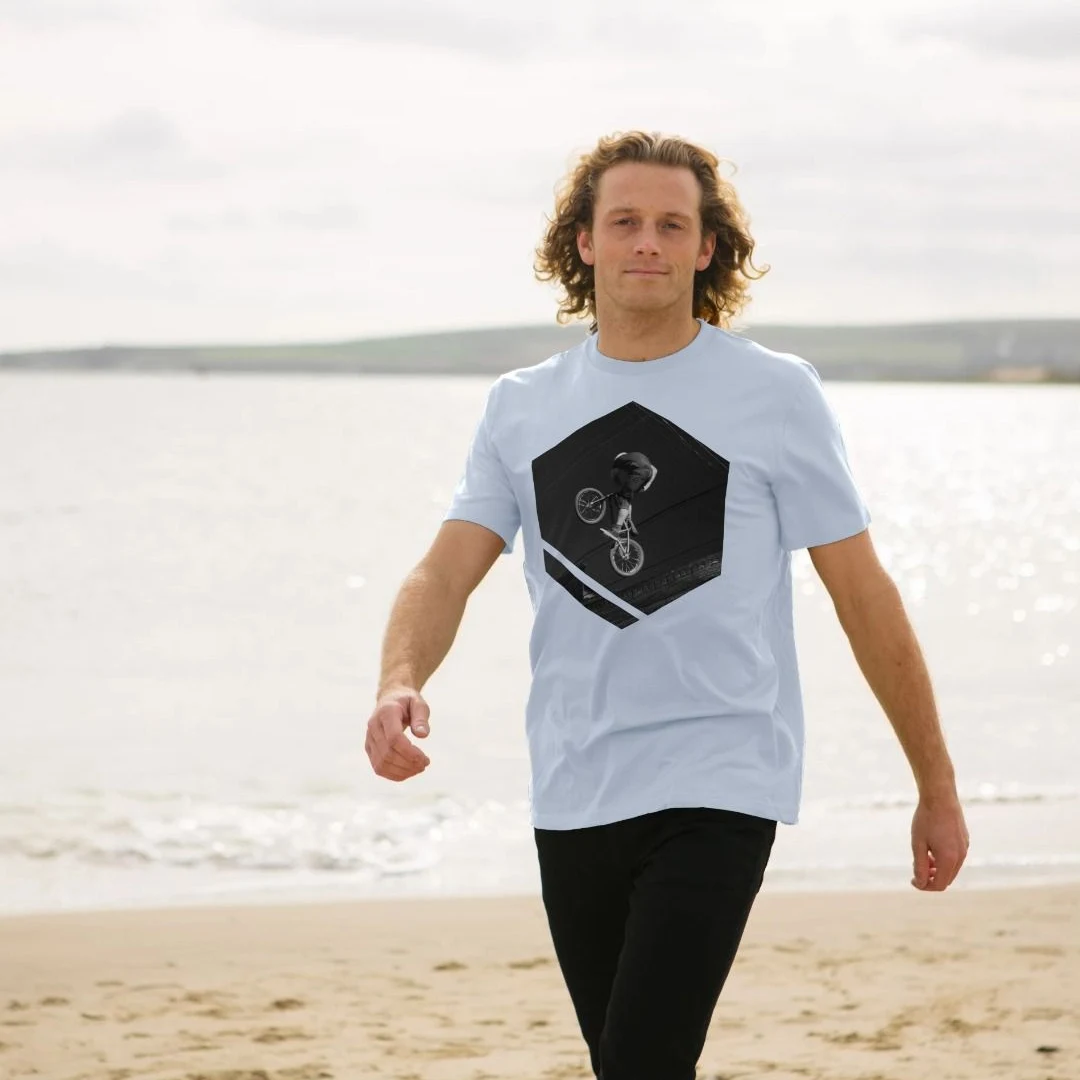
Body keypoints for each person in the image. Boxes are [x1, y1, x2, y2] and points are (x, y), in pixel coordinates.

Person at [366, 129, 970, 1079]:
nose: (647, 241)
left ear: (705, 248)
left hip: (720, 778)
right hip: (574, 785)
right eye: (625, 221)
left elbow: (863, 593)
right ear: (584, 242)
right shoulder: (521, 405)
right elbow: (444, 572)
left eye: (671, 224)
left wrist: (935, 785)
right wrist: (399, 680)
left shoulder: (774, 393)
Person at [608, 450, 657, 533]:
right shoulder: (633, 459)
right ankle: (628, 519)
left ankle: (617, 529)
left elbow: (614, 475)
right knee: (628, 493)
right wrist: (647, 486)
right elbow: (655, 470)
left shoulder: (619, 460)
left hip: (639, 473)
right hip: (647, 474)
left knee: (624, 498)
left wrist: (618, 488)